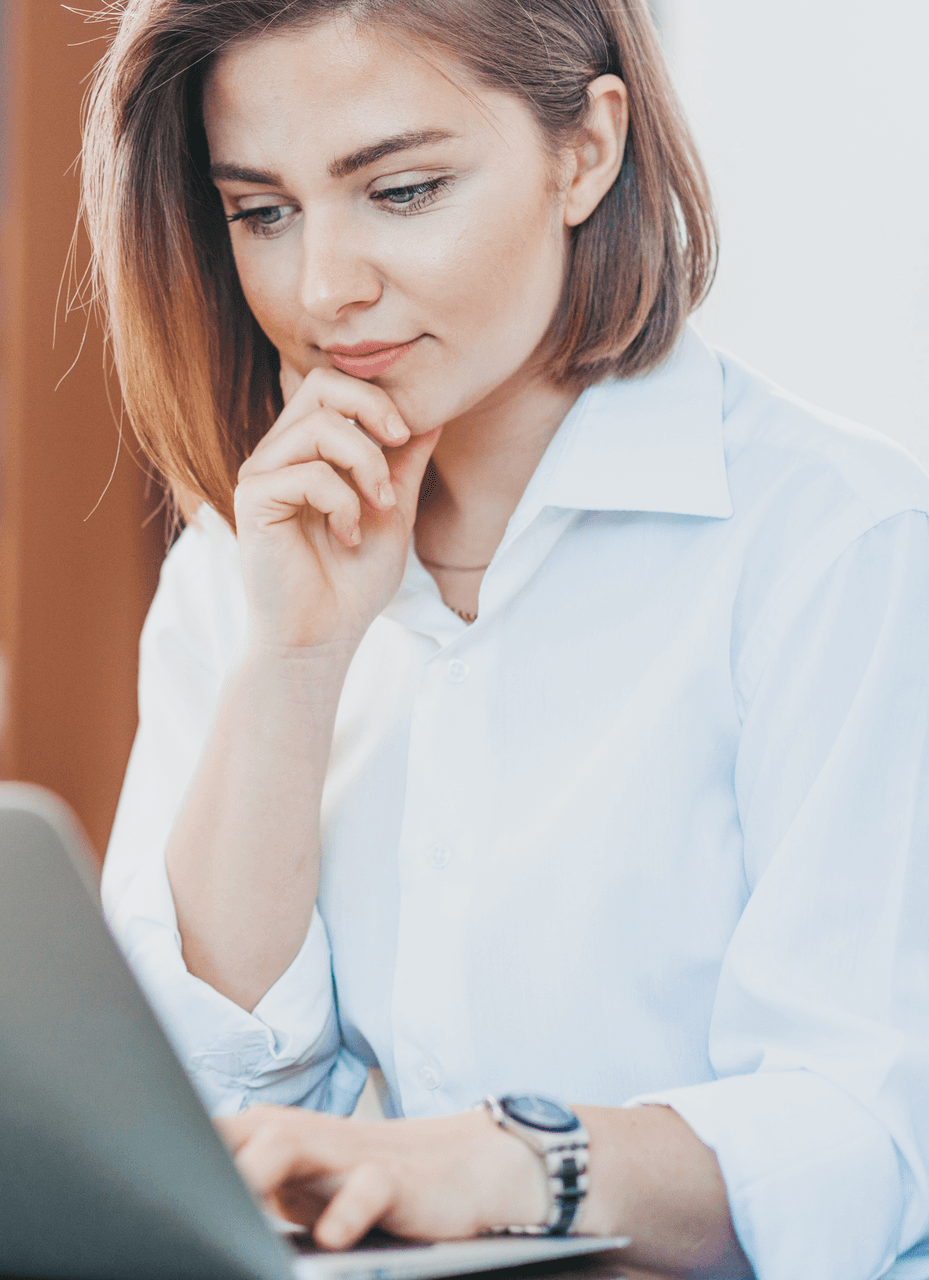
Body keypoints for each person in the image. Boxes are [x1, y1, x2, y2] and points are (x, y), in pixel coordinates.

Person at [80, 2, 929, 1277]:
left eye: (402, 191)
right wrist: (293, 665)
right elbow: (185, 1118)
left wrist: (501, 1164)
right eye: (262, 211)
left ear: (585, 151)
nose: (323, 288)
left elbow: (866, 1126)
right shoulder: (236, 567)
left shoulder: (837, 545)